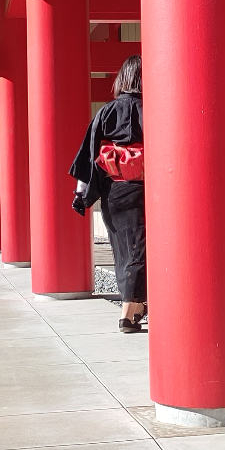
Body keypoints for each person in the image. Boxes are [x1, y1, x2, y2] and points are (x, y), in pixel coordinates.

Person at [70, 55, 145, 332]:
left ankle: (135, 307)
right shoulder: (155, 109)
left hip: (114, 191)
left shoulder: (106, 112)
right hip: (147, 190)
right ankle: (128, 312)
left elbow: (88, 156)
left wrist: (81, 193)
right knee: (142, 249)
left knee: (124, 251)